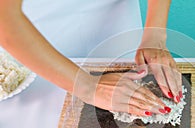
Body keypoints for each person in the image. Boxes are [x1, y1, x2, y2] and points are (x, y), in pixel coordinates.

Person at [0, 0, 182, 116]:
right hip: (35, 49)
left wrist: (154, 34)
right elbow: (5, 20)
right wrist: (87, 87)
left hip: (118, 29)